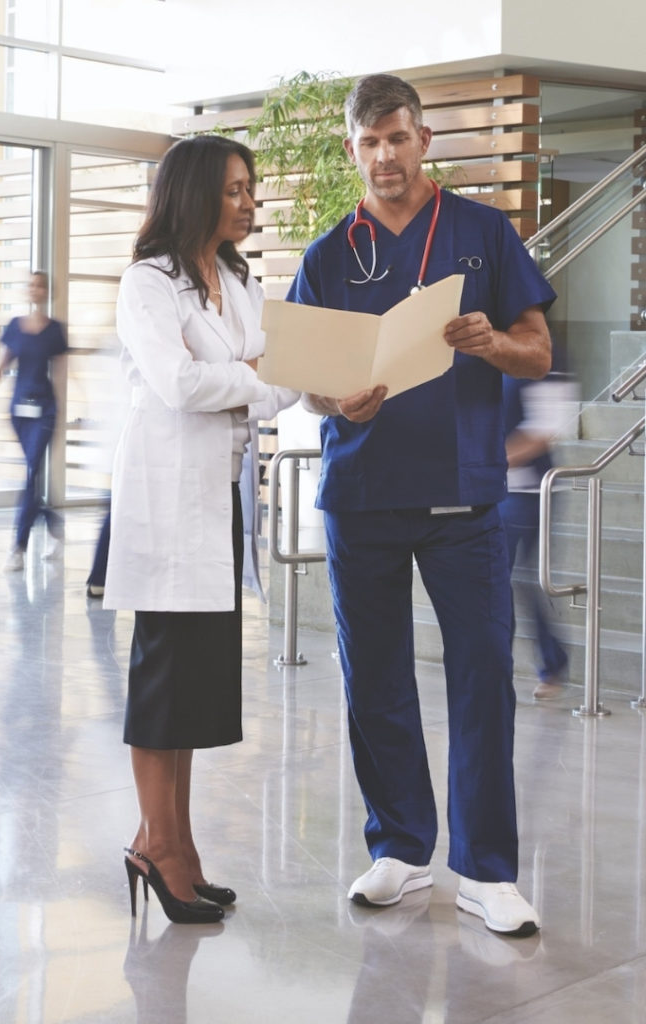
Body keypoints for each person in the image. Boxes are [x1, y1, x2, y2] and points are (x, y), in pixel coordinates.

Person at [286, 74, 555, 937]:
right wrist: (337, 400)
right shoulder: (331, 252)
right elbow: (305, 380)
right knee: (376, 682)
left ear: (424, 139)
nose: (385, 156)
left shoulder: (481, 234)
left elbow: (538, 352)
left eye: (397, 138)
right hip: (361, 494)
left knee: (483, 681)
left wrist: (494, 342)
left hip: (462, 496)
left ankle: (486, 871)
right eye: (368, 143)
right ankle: (400, 848)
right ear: (352, 150)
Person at [104, 135, 299, 924]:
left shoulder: (239, 282)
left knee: (193, 686)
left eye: (251, 189)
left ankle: (173, 845)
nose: (249, 202)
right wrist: (250, 382)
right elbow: (179, 384)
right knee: (162, 678)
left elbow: (279, 384)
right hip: (166, 502)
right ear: (192, 194)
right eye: (233, 190)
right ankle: (159, 846)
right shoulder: (146, 283)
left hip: (219, 504)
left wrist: (248, 385)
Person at [0, 271, 67, 572]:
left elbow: (64, 372)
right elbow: (3, 364)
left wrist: (70, 407)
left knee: (30, 475)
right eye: (30, 285)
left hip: (45, 410)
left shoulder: (55, 330)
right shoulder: (15, 326)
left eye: (40, 285)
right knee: (32, 475)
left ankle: (19, 547)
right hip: (19, 410)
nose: (35, 289)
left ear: (46, 292)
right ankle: (54, 524)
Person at [502, 371, 576, 699]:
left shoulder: (546, 360)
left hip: (531, 493)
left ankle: (548, 663)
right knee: (505, 581)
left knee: (516, 580)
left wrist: (491, 460)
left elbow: (544, 431)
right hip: (500, 490)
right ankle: (548, 662)